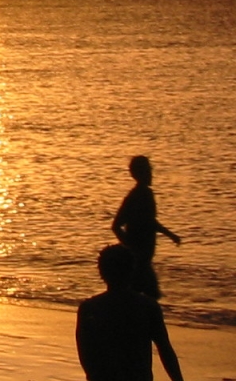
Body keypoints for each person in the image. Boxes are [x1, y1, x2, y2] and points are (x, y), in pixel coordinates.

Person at [76, 244, 184, 381]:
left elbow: (86, 354)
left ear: (101, 272)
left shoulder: (89, 308)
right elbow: (165, 349)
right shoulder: (147, 306)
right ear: (132, 270)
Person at [112, 155, 181, 299]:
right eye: (148, 170)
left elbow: (149, 221)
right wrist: (131, 248)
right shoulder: (139, 195)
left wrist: (170, 235)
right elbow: (117, 225)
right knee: (149, 296)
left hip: (142, 258)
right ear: (140, 173)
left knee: (143, 296)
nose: (151, 173)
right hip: (140, 259)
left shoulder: (142, 194)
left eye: (150, 169)